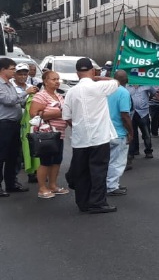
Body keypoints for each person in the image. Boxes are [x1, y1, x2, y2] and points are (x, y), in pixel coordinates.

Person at [62, 58, 120, 214]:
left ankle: (83, 202)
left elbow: (67, 116)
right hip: (99, 137)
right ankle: (98, 202)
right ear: (93, 70)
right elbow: (116, 81)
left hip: (80, 139)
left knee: (82, 172)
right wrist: (97, 77)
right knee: (99, 171)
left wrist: (78, 127)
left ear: (77, 73)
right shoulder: (99, 86)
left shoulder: (70, 92)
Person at [0, 58, 36, 196]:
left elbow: (18, 101)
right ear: (3, 70)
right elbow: (8, 101)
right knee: (2, 155)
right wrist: (26, 92)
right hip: (4, 124)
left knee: (13, 155)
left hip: (15, 124)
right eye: (12, 69)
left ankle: (11, 183)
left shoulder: (9, 84)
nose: (14, 72)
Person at [28, 70, 67, 199]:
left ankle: (53, 185)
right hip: (47, 135)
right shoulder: (41, 96)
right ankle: (42, 188)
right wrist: (56, 113)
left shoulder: (59, 96)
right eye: (53, 79)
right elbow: (33, 114)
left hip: (59, 134)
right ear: (45, 81)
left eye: (58, 79)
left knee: (56, 161)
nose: (57, 81)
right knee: (46, 162)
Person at [106, 70, 133, 196]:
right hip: (119, 132)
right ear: (126, 80)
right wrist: (131, 132)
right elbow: (124, 115)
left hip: (105, 131)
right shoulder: (124, 92)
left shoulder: (106, 90)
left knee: (107, 160)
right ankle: (112, 186)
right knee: (117, 162)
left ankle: (107, 184)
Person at [126, 83, 157, 160]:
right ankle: (133, 151)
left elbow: (153, 93)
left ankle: (148, 151)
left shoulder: (146, 84)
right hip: (132, 112)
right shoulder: (127, 86)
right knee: (132, 133)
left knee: (146, 133)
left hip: (143, 112)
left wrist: (147, 100)